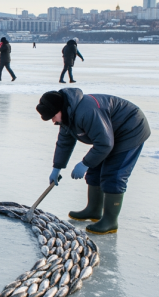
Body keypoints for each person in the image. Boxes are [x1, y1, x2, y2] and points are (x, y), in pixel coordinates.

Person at [35, 88, 150, 234]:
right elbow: (64, 142)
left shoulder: (87, 112)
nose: (53, 121)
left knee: (113, 174)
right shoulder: (67, 114)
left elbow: (105, 144)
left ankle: (110, 221)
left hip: (130, 129)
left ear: (60, 109)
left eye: (53, 116)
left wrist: (85, 163)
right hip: (110, 133)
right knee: (95, 169)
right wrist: (57, 167)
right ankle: (94, 210)